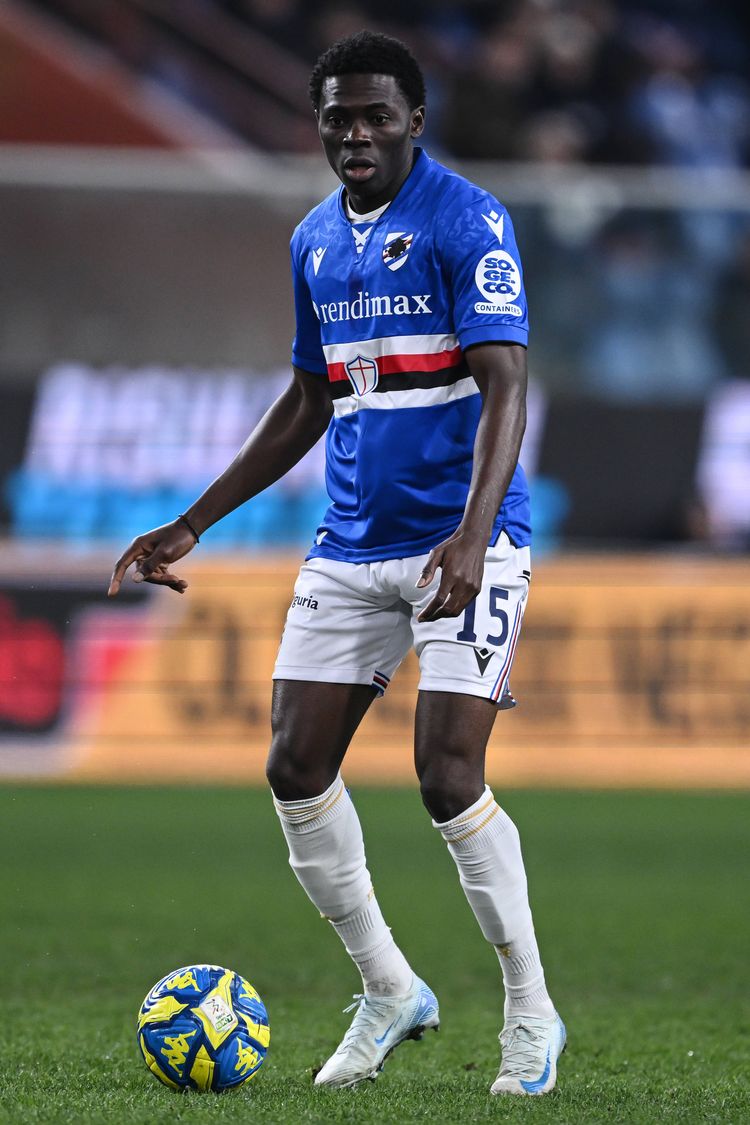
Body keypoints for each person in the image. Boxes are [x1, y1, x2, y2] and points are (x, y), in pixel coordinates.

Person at [109, 30, 565, 1096]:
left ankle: (531, 1012)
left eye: (375, 116)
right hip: (352, 542)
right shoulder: (314, 239)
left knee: (447, 775)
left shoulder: (468, 222)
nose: (355, 134)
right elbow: (311, 399)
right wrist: (193, 521)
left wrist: (473, 532)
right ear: (318, 126)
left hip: (466, 541)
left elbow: (507, 383)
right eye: (337, 118)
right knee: (293, 764)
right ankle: (389, 987)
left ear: (415, 121)